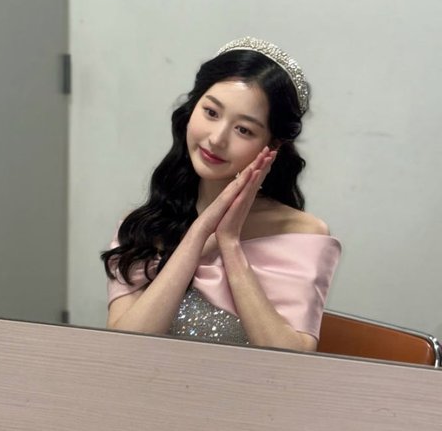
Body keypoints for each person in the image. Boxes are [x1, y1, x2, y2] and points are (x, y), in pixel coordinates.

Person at [101, 36, 341, 352]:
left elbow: (292, 360)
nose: (216, 139)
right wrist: (200, 234)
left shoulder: (301, 234)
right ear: (192, 109)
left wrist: (230, 244)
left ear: (272, 147)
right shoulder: (142, 228)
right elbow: (124, 349)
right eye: (211, 113)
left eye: (244, 129)